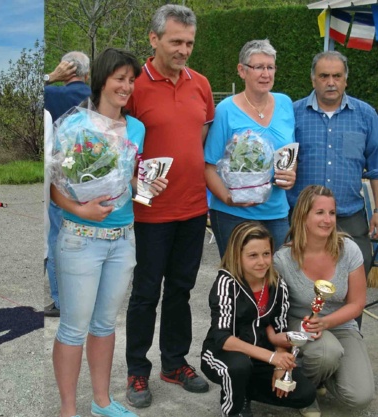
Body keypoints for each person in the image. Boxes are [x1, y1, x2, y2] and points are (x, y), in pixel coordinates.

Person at [52, 48, 166, 417]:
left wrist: (149, 186)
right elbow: (54, 188)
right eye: (120, 79)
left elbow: (132, 182)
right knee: (73, 329)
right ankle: (68, 410)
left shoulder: (136, 128)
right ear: (102, 80)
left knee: (104, 325)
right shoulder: (72, 126)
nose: (127, 86)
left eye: (132, 80)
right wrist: (79, 208)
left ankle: (101, 401)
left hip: (122, 240)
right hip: (80, 239)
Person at [124, 5, 215, 407]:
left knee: (181, 290)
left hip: (193, 208)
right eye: (176, 41)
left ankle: (174, 363)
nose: (183, 50)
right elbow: (118, 146)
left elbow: (202, 139)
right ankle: (136, 371)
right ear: (154, 38)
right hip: (149, 213)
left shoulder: (201, 85)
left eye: (189, 43)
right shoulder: (133, 87)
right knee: (146, 293)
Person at [274, 185, 375, 416]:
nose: (328, 220)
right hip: (300, 325)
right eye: (319, 212)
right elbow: (275, 311)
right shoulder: (283, 259)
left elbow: (357, 302)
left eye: (331, 213)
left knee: (360, 397)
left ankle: (323, 377)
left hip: (341, 325)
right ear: (303, 215)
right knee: (326, 352)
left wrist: (326, 323)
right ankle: (303, 393)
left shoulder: (348, 249)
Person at [200, 222, 316, 417]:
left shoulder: (277, 284)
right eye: (253, 256)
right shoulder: (226, 283)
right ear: (237, 255)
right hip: (223, 354)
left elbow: (279, 329)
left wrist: (280, 364)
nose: (262, 262)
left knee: (305, 393)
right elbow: (223, 338)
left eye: (266, 254)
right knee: (238, 367)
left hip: (261, 355)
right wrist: (272, 357)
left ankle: (242, 389)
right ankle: (234, 407)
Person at [204, 39, 296, 258]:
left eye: (270, 67)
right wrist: (228, 198)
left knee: (277, 277)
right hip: (232, 214)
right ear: (242, 71)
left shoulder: (285, 104)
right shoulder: (226, 110)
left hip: (276, 212)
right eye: (258, 67)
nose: (266, 74)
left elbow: (289, 151)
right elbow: (209, 166)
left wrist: (291, 174)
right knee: (237, 279)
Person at [290, 51, 378, 277]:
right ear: (313, 79)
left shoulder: (366, 115)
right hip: (302, 218)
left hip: (348, 215)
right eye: (324, 76)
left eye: (337, 76)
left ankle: (349, 315)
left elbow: (376, 168)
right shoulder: (292, 114)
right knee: (299, 280)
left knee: (356, 274)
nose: (331, 82)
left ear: (346, 79)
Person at [43, 51, 91, 318]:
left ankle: (62, 300)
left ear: (65, 69)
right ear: (86, 72)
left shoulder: (53, 95)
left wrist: (51, 76)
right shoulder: (99, 95)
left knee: (57, 238)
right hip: (95, 177)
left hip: (62, 177)